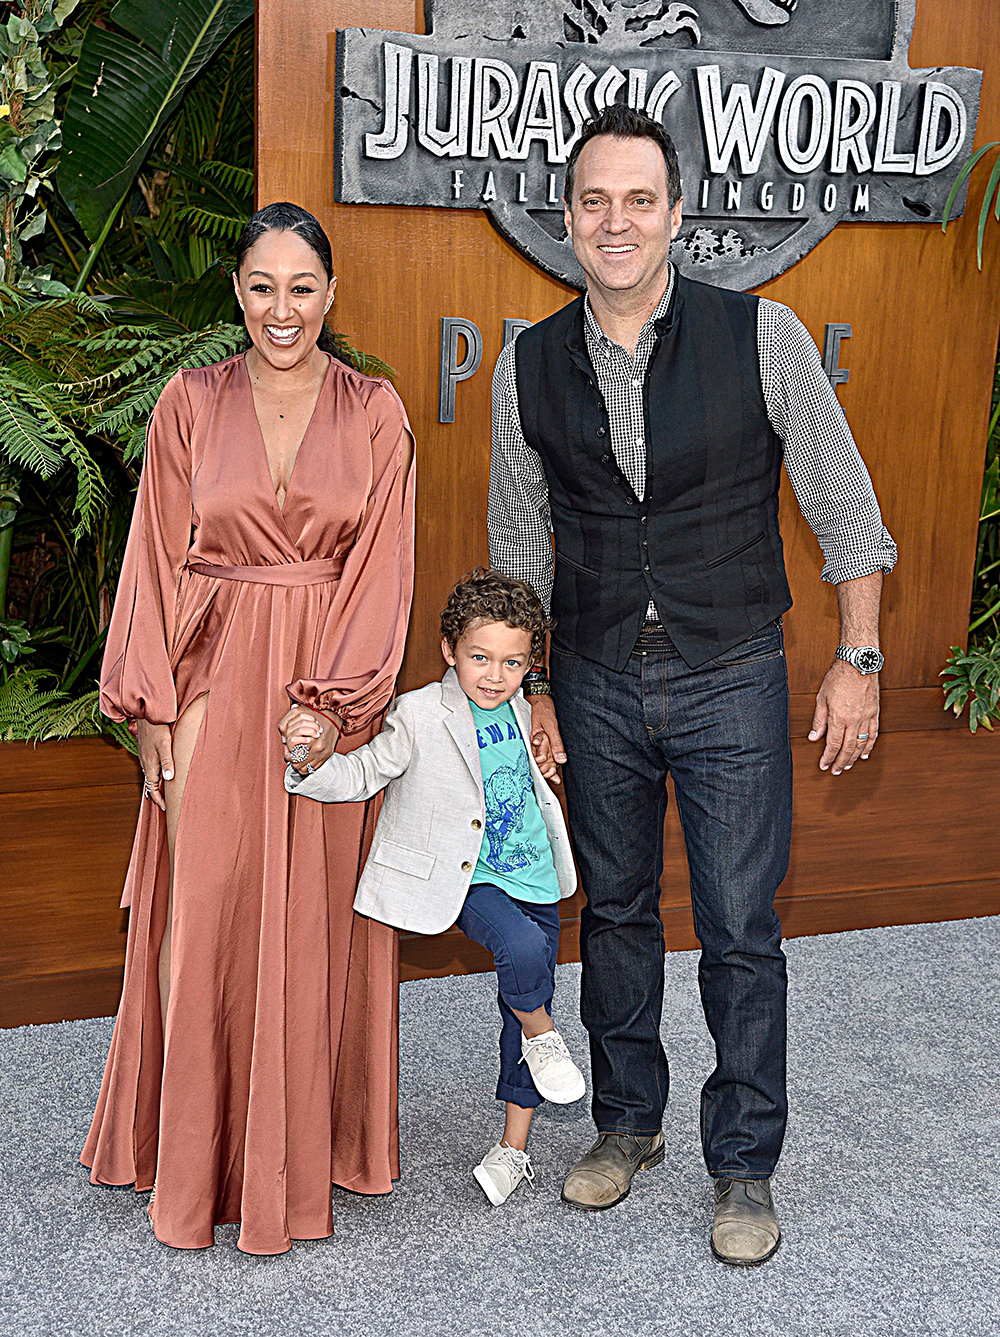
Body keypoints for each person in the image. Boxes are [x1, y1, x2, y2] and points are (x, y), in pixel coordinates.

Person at [488, 104, 897, 1265]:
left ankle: (744, 1162)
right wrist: (532, 693)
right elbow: (519, 552)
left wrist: (856, 661)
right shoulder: (530, 362)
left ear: (676, 215)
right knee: (612, 912)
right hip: (597, 676)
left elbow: (847, 514)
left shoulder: (761, 335)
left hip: (731, 674)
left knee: (737, 926)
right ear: (566, 220)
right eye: (593, 201)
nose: (615, 222)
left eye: (638, 200)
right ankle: (626, 1123)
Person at [81, 202, 415, 1254]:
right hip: (211, 677)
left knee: (311, 917)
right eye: (263, 286)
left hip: (320, 686)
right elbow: (152, 555)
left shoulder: (374, 410)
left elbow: (383, 570)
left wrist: (334, 706)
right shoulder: (189, 400)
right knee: (202, 912)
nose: (283, 308)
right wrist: (149, 710)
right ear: (237, 290)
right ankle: (191, 1153)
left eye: (302, 287)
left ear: (331, 293)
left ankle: (288, 1151)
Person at [281, 569, 583, 1206]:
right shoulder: (421, 711)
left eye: (513, 662)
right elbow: (368, 770)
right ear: (449, 650)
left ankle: (513, 1149)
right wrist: (311, 767)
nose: (495, 676)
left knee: (520, 1000)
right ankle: (543, 1032)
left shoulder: (529, 712)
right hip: (469, 878)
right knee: (523, 956)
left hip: (533, 871)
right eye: (480, 657)